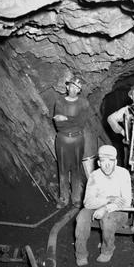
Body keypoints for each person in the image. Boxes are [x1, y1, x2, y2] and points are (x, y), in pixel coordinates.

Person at [75, 145, 132, 266]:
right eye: (103, 161)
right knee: (81, 217)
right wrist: (108, 199)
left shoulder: (123, 174)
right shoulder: (94, 176)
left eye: (110, 161)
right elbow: (88, 202)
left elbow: (126, 202)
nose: (107, 165)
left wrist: (106, 208)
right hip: (99, 206)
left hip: (119, 211)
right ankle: (81, 253)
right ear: (99, 163)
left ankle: (107, 250)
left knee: (107, 219)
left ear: (115, 162)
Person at [53, 75, 90, 209]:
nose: (74, 89)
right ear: (67, 86)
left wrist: (66, 118)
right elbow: (59, 125)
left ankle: (76, 198)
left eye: (77, 87)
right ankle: (63, 198)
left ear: (79, 90)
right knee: (62, 169)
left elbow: (81, 123)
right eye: (72, 86)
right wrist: (71, 120)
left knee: (76, 169)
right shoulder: (60, 102)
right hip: (62, 139)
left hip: (77, 139)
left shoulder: (84, 103)